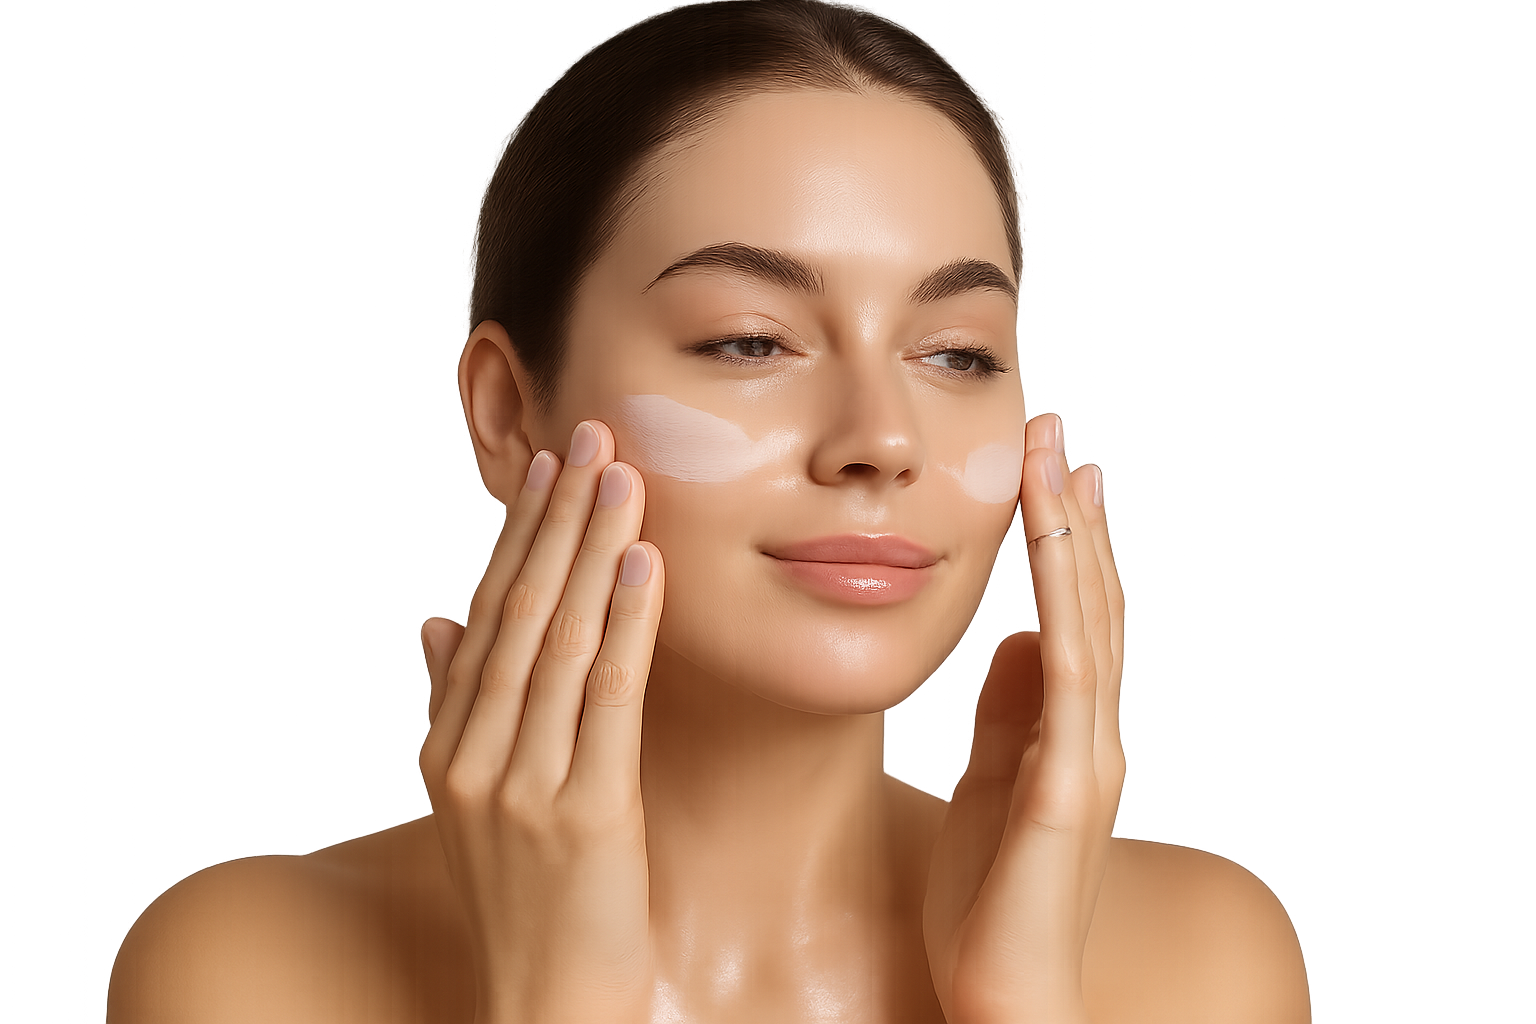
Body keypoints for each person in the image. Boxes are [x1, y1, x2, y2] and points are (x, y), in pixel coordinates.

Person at [107, 2, 1310, 1021]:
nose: (883, 439)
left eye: (958, 353)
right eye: (749, 340)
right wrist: (557, 999)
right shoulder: (253, 970)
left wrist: (1023, 1005)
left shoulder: (1200, 963)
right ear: (509, 411)